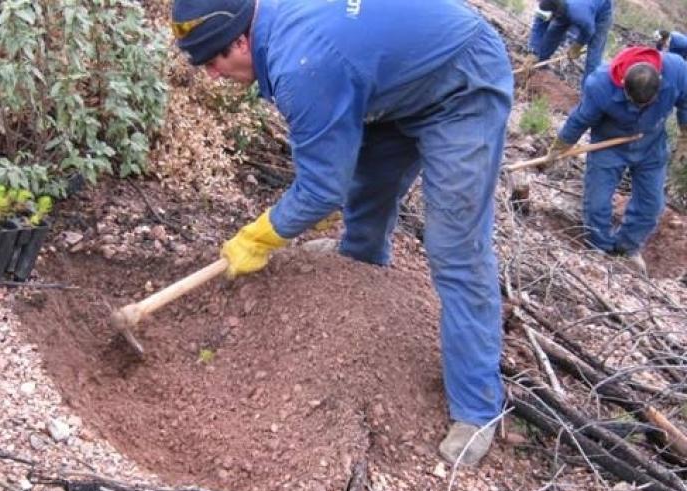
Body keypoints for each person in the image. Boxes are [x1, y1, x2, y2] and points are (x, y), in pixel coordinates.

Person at [171, 0, 513, 467]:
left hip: (459, 82)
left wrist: (260, 236)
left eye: (213, 61)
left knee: (455, 247)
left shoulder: (302, 65)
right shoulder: (284, 35)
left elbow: (320, 189)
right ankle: (360, 259)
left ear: (241, 40)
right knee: (370, 180)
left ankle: (477, 409)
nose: (212, 74)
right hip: (396, 79)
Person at [547, 46, 687, 272]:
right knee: (598, 202)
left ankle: (625, 248)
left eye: (645, 104)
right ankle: (599, 247)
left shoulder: (677, 70)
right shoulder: (600, 85)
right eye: (633, 102)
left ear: (660, 82)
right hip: (609, 144)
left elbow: (686, 103)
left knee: (652, 205)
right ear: (623, 85)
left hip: (651, 145)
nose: (637, 108)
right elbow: (580, 119)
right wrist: (560, 146)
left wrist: (685, 136)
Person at [523, 0, 613, 87]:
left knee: (594, 53)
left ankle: (588, 94)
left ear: (556, 13)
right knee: (553, 32)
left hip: (601, 12)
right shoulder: (545, 5)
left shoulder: (579, 14)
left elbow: (589, 31)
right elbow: (539, 26)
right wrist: (533, 52)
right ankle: (539, 65)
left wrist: (578, 46)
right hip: (569, 8)